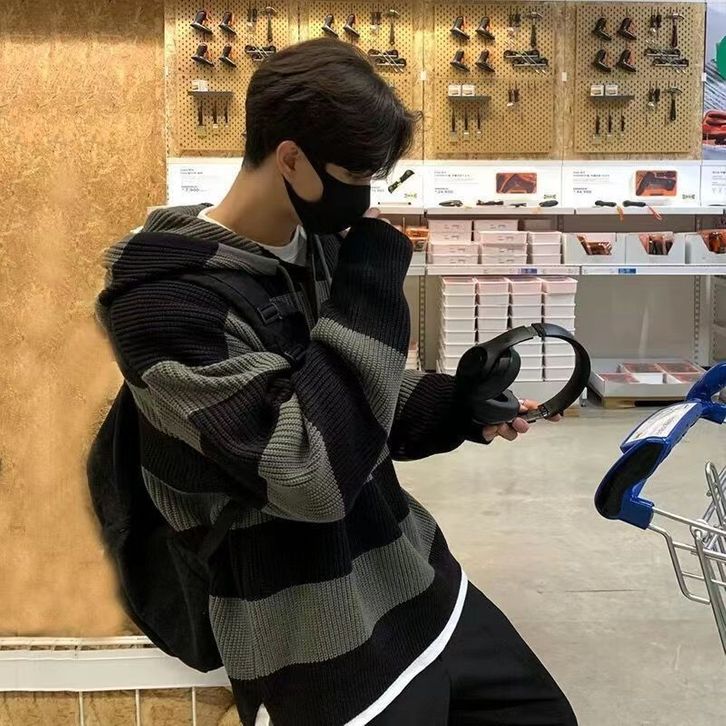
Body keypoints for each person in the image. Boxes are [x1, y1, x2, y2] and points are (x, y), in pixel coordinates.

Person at [95, 38, 576, 726]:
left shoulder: (316, 244)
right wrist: (372, 285)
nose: (364, 194)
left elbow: (355, 401)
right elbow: (308, 473)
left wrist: (456, 406)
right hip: (309, 635)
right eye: (354, 173)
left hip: (414, 574)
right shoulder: (165, 303)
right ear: (290, 157)